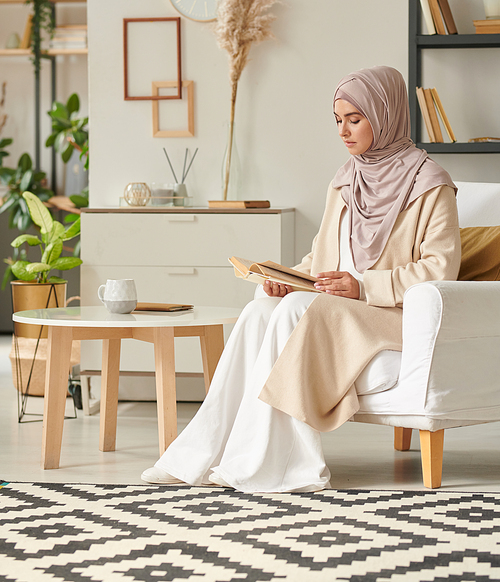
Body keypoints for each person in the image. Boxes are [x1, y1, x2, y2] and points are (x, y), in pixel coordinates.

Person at [141, 66, 461, 493]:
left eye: (355, 119)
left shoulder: (430, 183)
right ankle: (200, 453)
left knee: (294, 310)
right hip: (336, 303)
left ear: (385, 115)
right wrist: (288, 278)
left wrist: (363, 285)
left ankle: (278, 462)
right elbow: (322, 257)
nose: (344, 132)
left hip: (388, 313)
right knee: (260, 310)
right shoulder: (347, 179)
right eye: (338, 120)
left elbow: (440, 270)